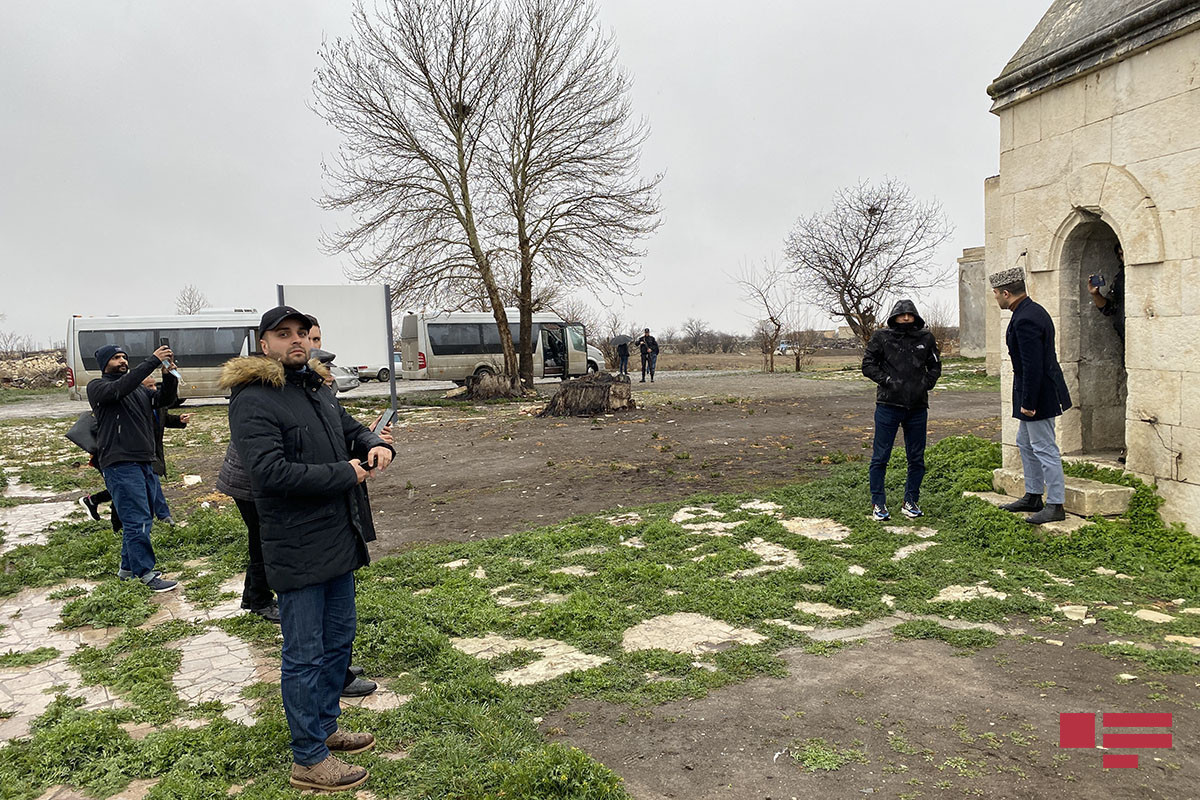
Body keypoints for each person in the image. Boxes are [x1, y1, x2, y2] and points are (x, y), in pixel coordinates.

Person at [225, 305, 393, 792]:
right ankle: (308, 758)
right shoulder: (253, 399)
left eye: (302, 333)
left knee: (338, 641)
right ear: (264, 344)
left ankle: (325, 729)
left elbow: (350, 429)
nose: (296, 341)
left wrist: (375, 444)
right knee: (304, 654)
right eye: (283, 334)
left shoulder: (317, 387)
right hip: (296, 545)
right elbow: (270, 475)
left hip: (338, 536)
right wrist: (349, 472)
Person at [86, 343, 180, 592]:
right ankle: (146, 574)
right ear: (104, 364)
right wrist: (151, 361)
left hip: (143, 461)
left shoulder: (139, 390)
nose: (122, 361)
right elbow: (119, 389)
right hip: (120, 463)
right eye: (116, 358)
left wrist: (168, 376)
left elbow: (164, 400)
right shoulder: (99, 387)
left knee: (141, 518)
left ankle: (127, 570)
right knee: (136, 519)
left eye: (124, 357)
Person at [991, 268, 1073, 525]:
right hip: (1035, 391)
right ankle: (1034, 495)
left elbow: (1033, 365)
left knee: (1044, 447)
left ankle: (1056, 504)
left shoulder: (1026, 318)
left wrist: (1029, 403)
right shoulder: (1029, 311)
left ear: (1006, 293)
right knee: (1025, 443)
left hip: (1039, 395)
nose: (995, 299)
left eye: (996, 294)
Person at [860, 299, 942, 521]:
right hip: (888, 405)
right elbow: (867, 365)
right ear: (894, 316)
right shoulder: (882, 338)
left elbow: (935, 366)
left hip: (917, 407)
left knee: (916, 458)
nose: (906, 318)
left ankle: (910, 500)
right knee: (880, 457)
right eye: (901, 314)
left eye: (910, 314)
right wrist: (887, 380)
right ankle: (878, 503)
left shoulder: (926, 338)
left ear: (915, 316)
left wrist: (925, 384)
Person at [143, 372, 188, 525]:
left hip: (155, 449)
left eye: (155, 385)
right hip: (143, 452)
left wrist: (179, 420)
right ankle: (164, 515)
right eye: (149, 386)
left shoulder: (158, 403)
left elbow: (164, 419)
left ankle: (95, 500)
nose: (154, 388)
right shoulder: (139, 405)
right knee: (152, 480)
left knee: (143, 484)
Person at [1087, 243, 1125, 341]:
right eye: (1121, 255)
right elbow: (1109, 308)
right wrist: (1095, 294)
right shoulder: (1120, 278)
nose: (1123, 258)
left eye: (1125, 254)